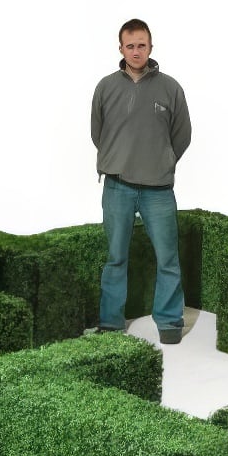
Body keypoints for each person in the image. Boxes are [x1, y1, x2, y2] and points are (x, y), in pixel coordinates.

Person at [90, 19, 192, 344]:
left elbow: (182, 135)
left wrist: (162, 161)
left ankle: (170, 323)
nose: (136, 51)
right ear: (121, 49)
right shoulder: (106, 87)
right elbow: (98, 133)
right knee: (115, 257)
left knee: (168, 258)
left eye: (142, 45)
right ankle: (110, 324)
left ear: (151, 47)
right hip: (117, 185)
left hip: (158, 189)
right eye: (130, 46)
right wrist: (117, 158)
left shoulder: (170, 88)